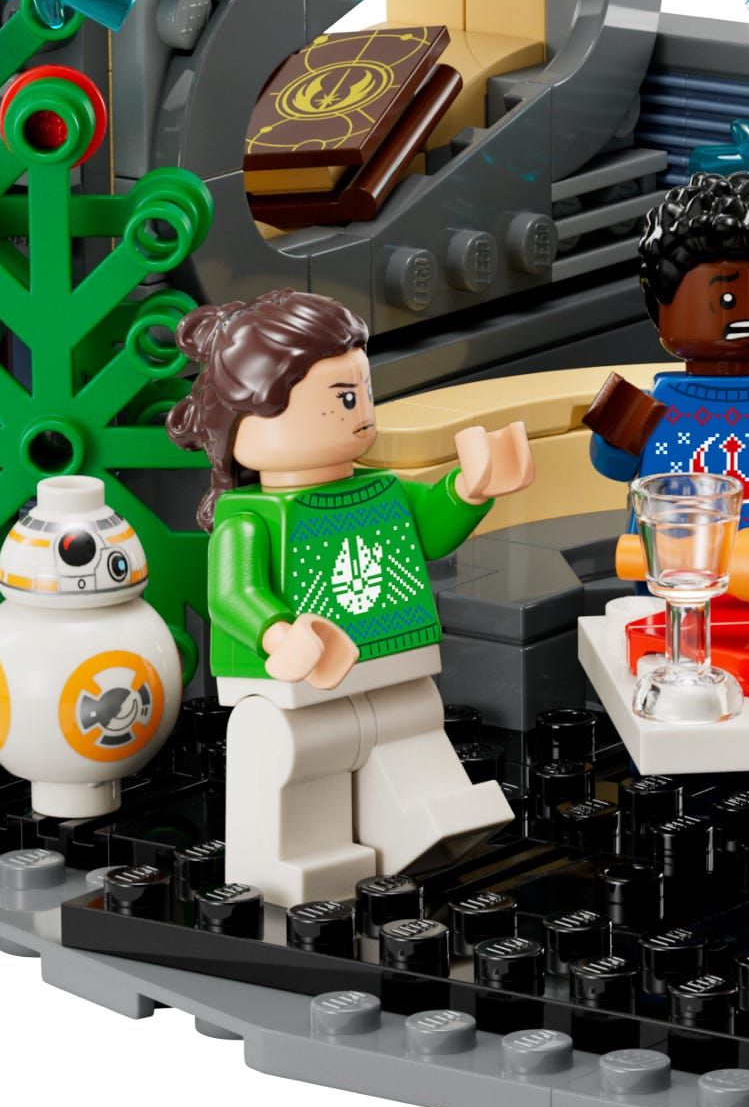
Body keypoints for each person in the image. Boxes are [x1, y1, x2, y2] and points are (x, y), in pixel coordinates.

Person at [166, 289, 534, 903]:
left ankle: (425, 828)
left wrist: (470, 489)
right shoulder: (251, 517)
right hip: (299, 686)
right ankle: (305, 867)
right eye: (342, 398)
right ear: (251, 420)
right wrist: (276, 631)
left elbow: (429, 529)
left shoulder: (380, 490)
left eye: (363, 392)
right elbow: (233, 591)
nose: (360, 410)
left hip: (394, 665)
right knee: (301, 763)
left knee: (413, 733)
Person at [584, 172, 749, 524]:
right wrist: (615, 429)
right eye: (726, 299)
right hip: (674, 550)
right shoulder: (650, 404)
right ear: (658, 304)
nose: (747, 315)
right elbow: (612, 465)